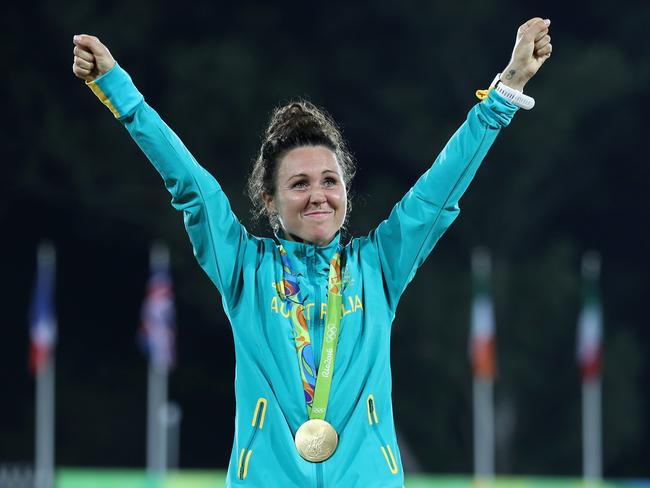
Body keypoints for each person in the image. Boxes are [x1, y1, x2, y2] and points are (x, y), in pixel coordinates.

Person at [72, 17, 552, 487]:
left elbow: (438, 192)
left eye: (329, 180)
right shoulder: (244, 271)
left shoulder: (378, 267)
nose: (318, 195)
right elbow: (191, 186)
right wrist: (118, 89)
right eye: (299, 184)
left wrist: (506, 89)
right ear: (270, 201)